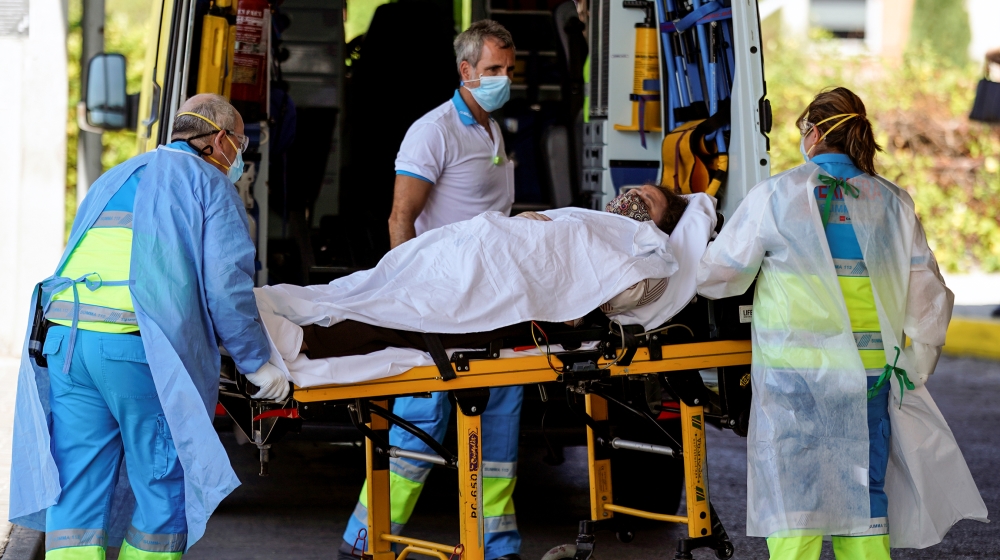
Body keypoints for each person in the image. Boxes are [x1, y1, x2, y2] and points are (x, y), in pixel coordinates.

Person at [697, 87, 987, 559]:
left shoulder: (776, 195)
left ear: (812, 133)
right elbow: (928, 298)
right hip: (870, 377)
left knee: (797, 501)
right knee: (864, 495)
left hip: (794, 378)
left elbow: (721, 277)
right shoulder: (893, 203)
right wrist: (917, 365)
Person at [9, 93, 288, 560]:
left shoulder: (116, 175)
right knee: (161, 485)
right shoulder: (209, 184)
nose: (241, 158)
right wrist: (257, 363)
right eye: (241, 145)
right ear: (220, 140)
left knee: (76, 490)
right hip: (133, 351)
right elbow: (226, 287)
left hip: (66, 342)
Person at [338, 20, 522, 560]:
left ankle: (497, 546)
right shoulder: (434, 130)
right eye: (493, 70)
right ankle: (366, 539)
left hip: (495, 300)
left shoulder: (490, 127)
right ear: (466, 72)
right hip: (443, 300)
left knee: (500, 426)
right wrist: (408, 295)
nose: (503, 79)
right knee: (421, 421)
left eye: (508, 69)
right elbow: (402, 218)